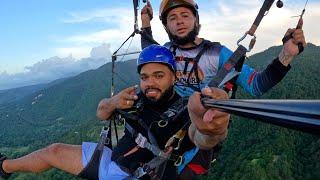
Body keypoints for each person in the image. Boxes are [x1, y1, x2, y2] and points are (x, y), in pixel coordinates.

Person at [0, 45, 230, 179]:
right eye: (144, 77)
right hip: (110, 160)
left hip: (138, 175)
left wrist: (211, 128)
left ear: (174, 77)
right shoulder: (135, 97)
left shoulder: (184, 111)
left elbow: (201, 138)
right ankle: (4, 167)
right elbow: (101, 113)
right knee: (54, 150)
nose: (150, 83)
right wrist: (112, 103)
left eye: (159, 76)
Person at [140, 0, 307, 97]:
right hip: (166, 123)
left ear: (196, 21)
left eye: (185, 16)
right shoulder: (166, 52)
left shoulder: (217, 53)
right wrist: (145, 22)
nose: (179, 21)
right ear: (167, 27)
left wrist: (286, 55)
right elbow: (148, 56)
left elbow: (256, 86)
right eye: (172, 18)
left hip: (202, 129)